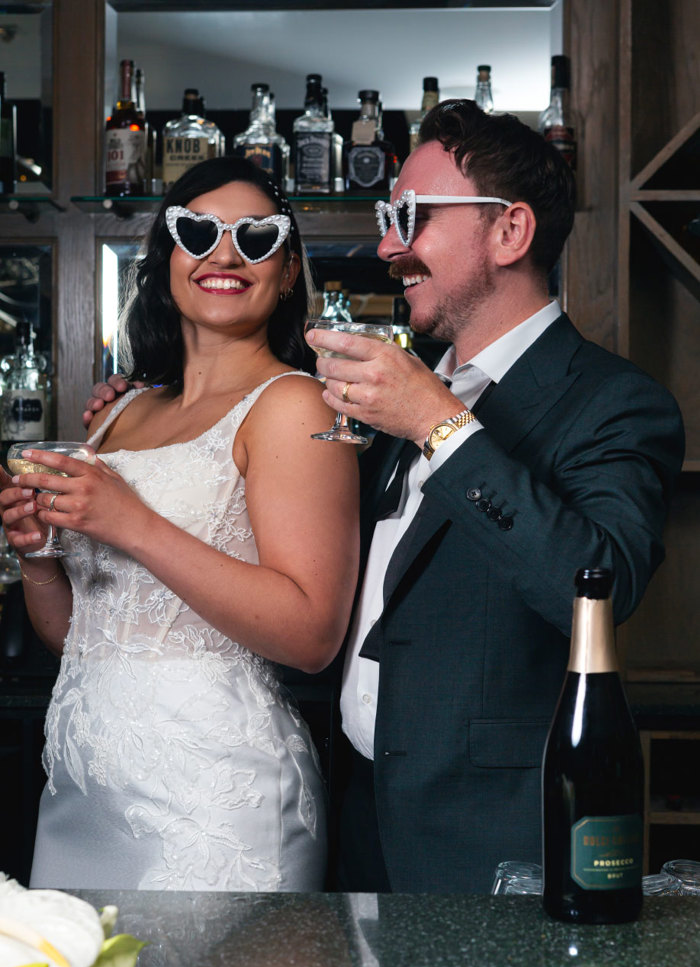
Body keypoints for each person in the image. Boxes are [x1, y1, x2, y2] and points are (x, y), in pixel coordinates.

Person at [84, 102, 686, 894]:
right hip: (356, 816)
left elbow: (596, 586)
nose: (386, 246)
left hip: (496, 839)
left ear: (510, 232)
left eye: (410, 217)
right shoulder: (398, 396)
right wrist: (147, 421)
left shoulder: (611, 403)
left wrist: (441, 426)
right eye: (384, 218)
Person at [0, 156, 359, 892]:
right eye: (198, 232)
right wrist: (38, 558)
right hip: (83, 787)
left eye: (255, 239)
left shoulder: (297, 406)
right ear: (167, 259)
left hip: (214, 793)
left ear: (287, 271)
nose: (224, 254)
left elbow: (312, 633)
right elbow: (83, 634)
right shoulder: (125, 412)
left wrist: (132, 523)